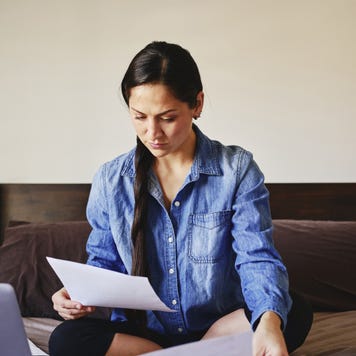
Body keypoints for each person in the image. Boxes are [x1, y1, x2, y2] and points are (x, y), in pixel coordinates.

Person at [49, 41, 312, 356]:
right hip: (141, 332)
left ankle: (198, 350)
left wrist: (268, 320)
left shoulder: (237, 170)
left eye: (167, 117)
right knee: (65, 340)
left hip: (218, 326)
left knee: (290, 312)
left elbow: (257, 257)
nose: (152, 133)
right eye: (139, 117)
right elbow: (104, 264)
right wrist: (80, 295)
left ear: (197, 104)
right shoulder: (110, 179)